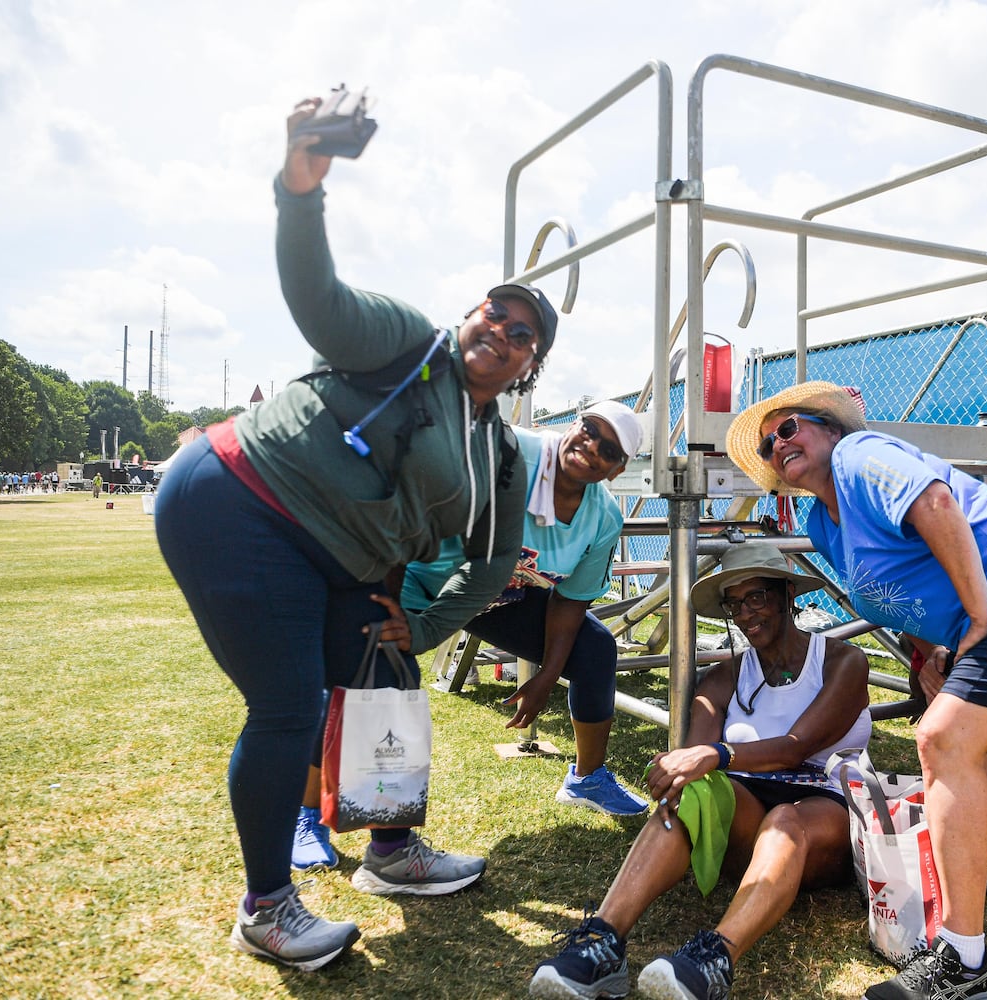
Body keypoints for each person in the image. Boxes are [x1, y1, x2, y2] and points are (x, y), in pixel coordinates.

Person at [154, 94, 558, 973]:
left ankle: (390, 850)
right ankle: (266, 907)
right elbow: (317, 295)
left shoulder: (502, 451)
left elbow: (492, 562)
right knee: (289, 705)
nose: (501, 329)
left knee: (387, 664)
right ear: (471, 313)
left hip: (334, 560)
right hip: (239, 499)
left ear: (532, 364)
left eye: (522, 332)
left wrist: (430, 621)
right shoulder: (410, 346)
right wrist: (302, 185)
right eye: (494, 311)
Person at [726, 382, 987, 1000]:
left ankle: (965, 964)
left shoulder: (862, 457)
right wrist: (941, 646)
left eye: (789, 427)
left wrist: (979, 618)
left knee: (941, 740)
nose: (778, 445)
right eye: (767, 444)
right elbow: (903, 586)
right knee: (965, 733)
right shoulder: (822, 523)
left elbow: (937, 505)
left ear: (830, 428)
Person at [291, 399, 651, 873]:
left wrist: (546, 677)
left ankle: (587, 779)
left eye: (608, 449)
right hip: (417, 573)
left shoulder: (602, 518)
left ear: (617, 469)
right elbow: (409, 508)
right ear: (573, 424)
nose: (590, 446)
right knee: (364, 669)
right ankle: (306, 813)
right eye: (588, 429)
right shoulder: (509, 453)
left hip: (493, 596)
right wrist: (391, 608)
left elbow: (569, 601)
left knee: (595, 647)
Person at [528, 541, 872, 1000]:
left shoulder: (843, 662)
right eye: (735, 604)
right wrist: (678, 770)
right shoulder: (725, 676)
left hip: (822, 807)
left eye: (758, 597)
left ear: (787, 594)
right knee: (688, 795)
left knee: (784, 821)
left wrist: (716, 755)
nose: (747, 614)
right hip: (748, 807)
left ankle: (715, 959)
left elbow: (797, 747)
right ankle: (601, 943)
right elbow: (695, 756)